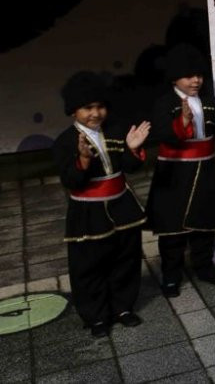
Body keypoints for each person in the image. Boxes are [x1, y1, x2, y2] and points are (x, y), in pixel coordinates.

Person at [147, 44, 215, 297]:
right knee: (173, 230)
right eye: (188, 75)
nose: (196, 80)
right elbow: (161, 134)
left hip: (204, 169)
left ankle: (204, 267)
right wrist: (181, 123)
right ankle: (171, 275)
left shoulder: (207, 99)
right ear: (174, 77)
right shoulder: (163, 103)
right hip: (174, 173)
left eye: (199, 75)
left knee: (204, 224)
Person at [55, 71, 149, 337]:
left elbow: (129, 167)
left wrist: (132, 148)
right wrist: (83, 160)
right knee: (89, 266)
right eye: (88, 108)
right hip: (88, 212)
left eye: (100, 106)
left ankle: (123, 308)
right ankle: (96, 316)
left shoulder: (117, 130)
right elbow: (71, 180)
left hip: (122, 206)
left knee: (126, 258)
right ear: (73, 110)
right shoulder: (64, 142)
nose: (95, 113)